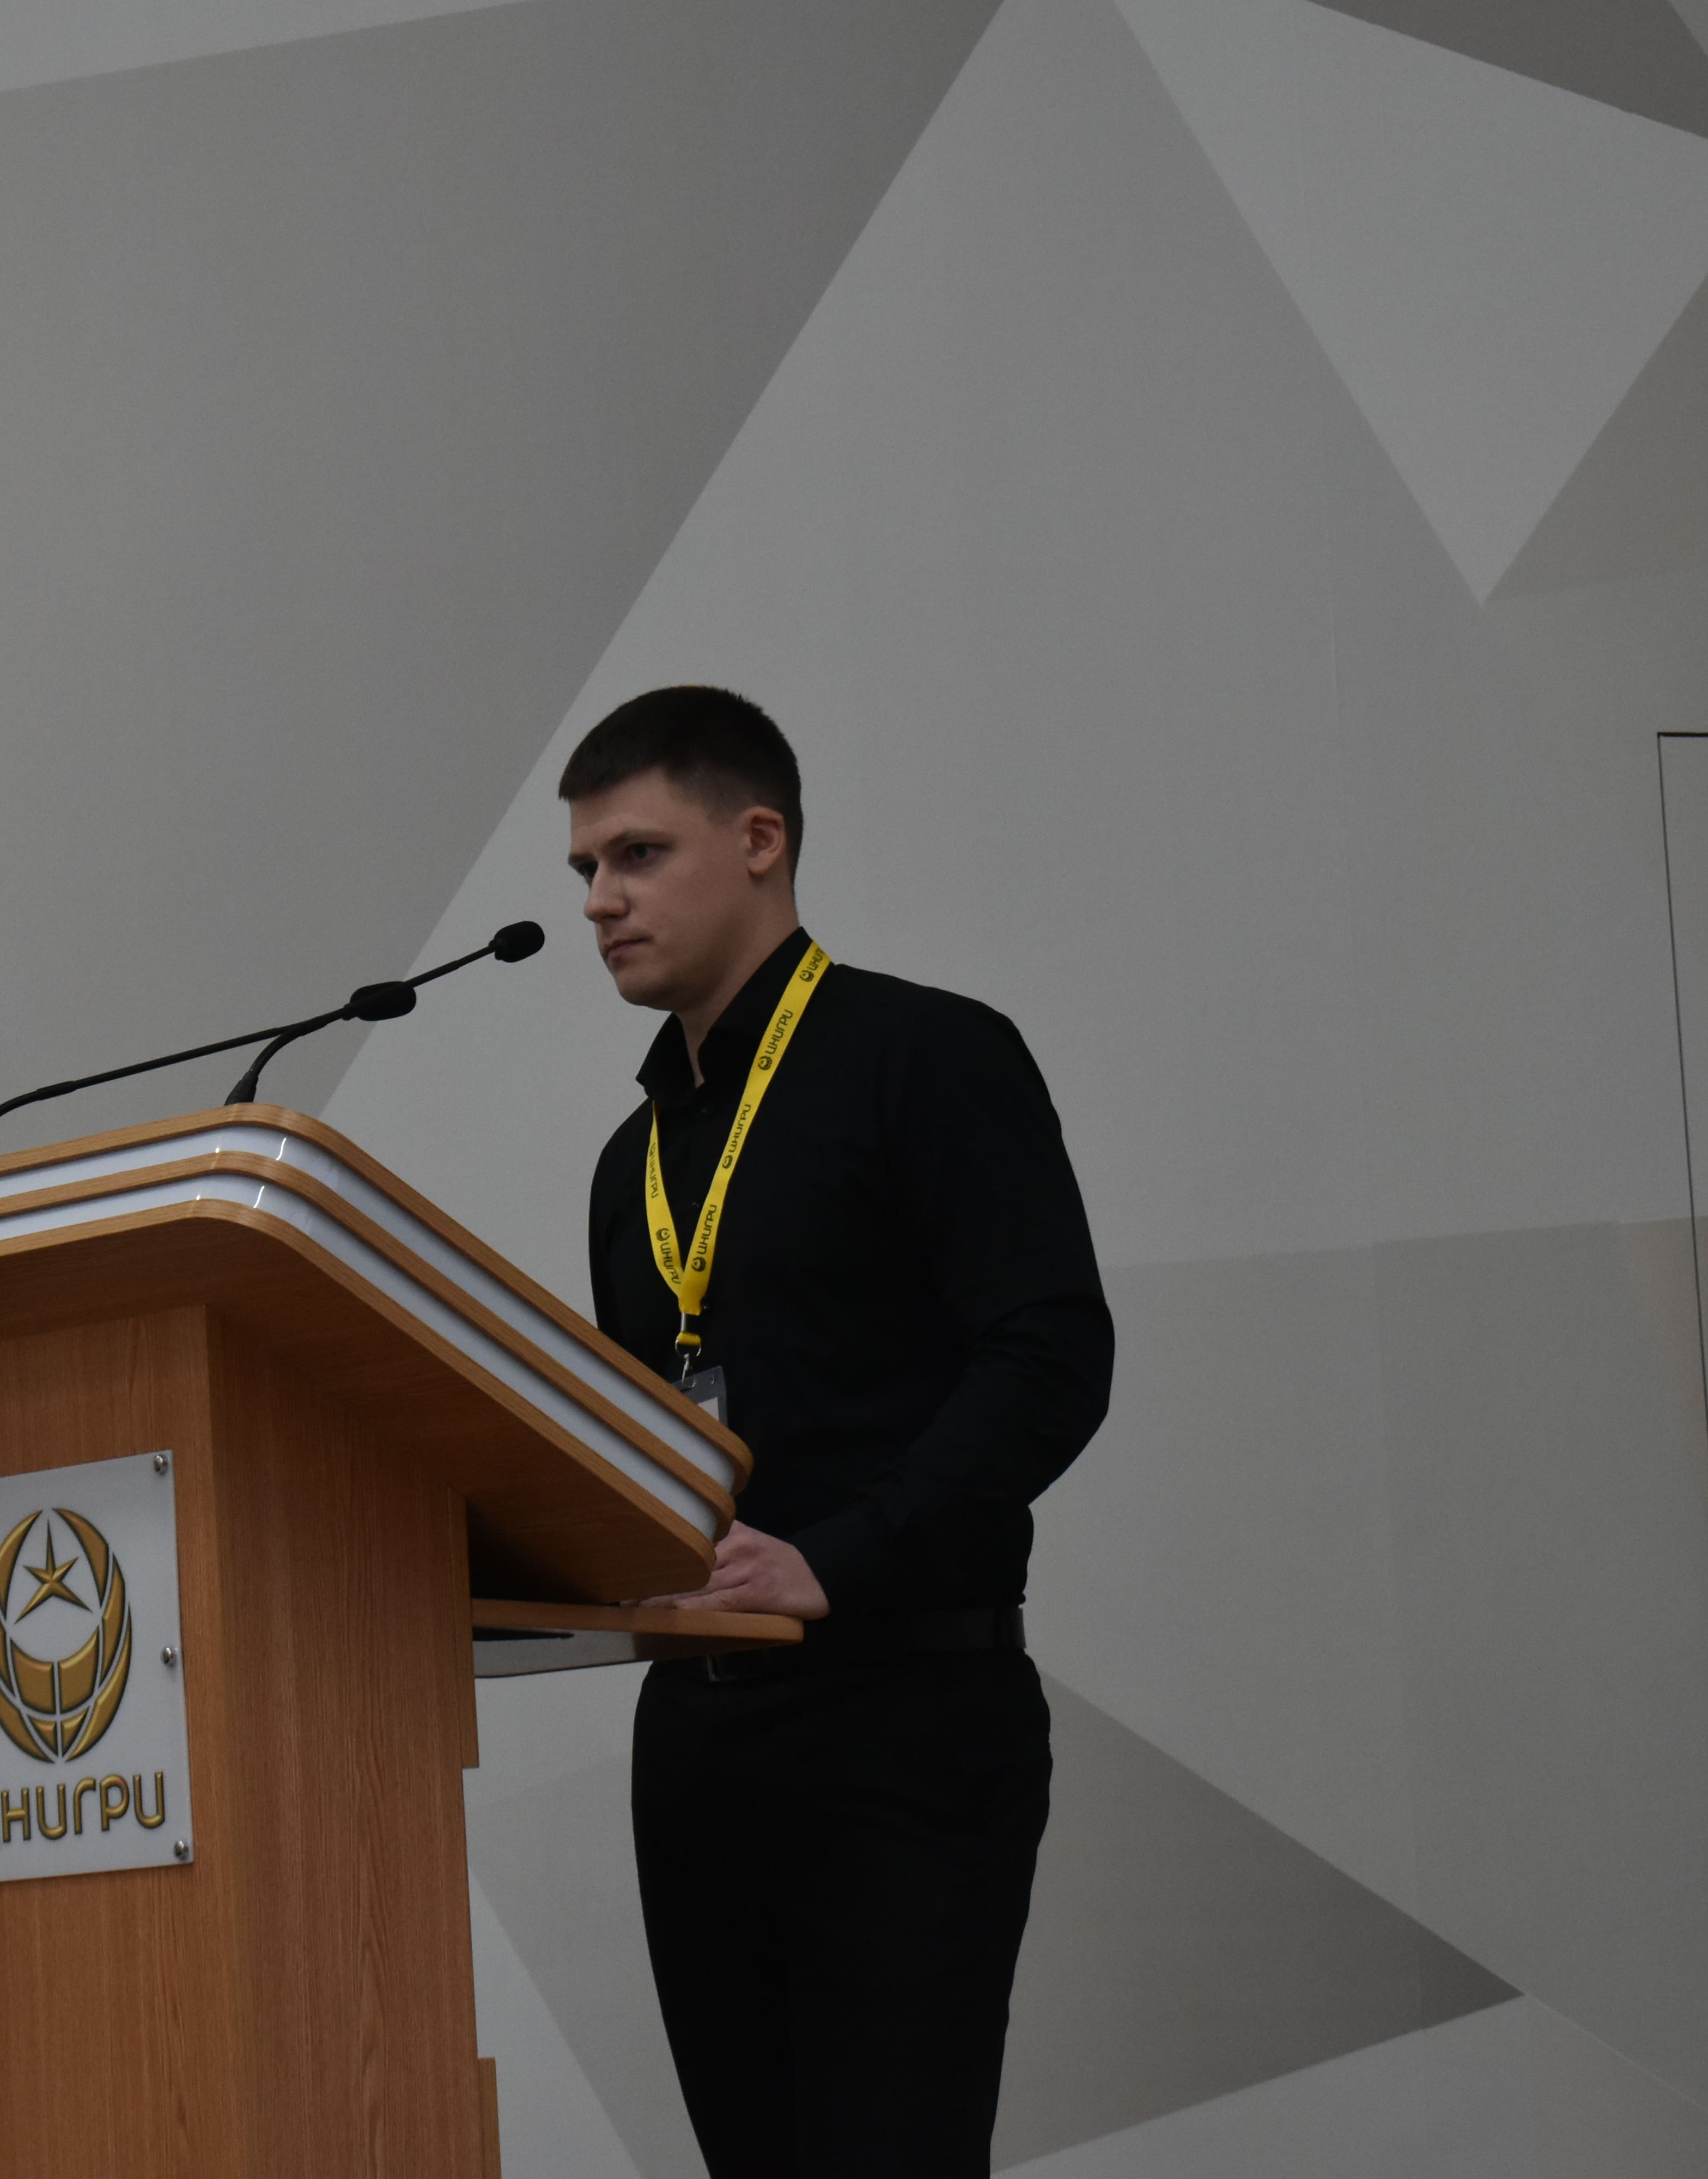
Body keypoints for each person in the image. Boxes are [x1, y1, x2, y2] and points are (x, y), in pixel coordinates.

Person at [560, 685, 1113, 2179]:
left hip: (902, 1720)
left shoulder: (924, 1056)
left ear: (760, 841)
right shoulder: (631, 1163)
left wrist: (841, 1557)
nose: (600, 900)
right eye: (587, 869)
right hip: (699, 1741)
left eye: (636, 855)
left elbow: (1052, 1354)